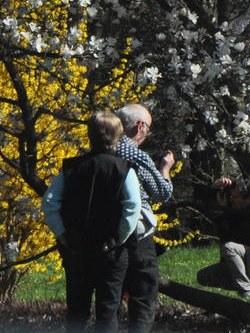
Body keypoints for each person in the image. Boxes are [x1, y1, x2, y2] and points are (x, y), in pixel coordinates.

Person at [42, 111, 142, 332]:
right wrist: (119, 237)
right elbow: (133, 206)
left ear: (89, 135)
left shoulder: (72, 168)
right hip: (112, 252)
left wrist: (63, 235)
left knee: (77, 310)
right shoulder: (123, 169)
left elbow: (49, 202)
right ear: (119, 136)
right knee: (108, 309)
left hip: (78, 249)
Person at [112, 103, 175, 333]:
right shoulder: (133, 153)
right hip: (137, 234)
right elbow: (161, 193)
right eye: (147, 128)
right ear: (140, 126)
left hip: (107, 234)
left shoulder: (103, 151)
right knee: (144, 292)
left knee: (112, 294)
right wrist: (165, 169)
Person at [196, 177, 250, 297]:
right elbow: (206, 205)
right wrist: (216, 187)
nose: (232, 200)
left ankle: (247, 291)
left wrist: (226, 210)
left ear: (248, 199)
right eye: (231, 197)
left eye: (236, 197)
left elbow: (242, 233)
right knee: (203, 276)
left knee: (229, 247)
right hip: (244, 262)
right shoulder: (232, 213)